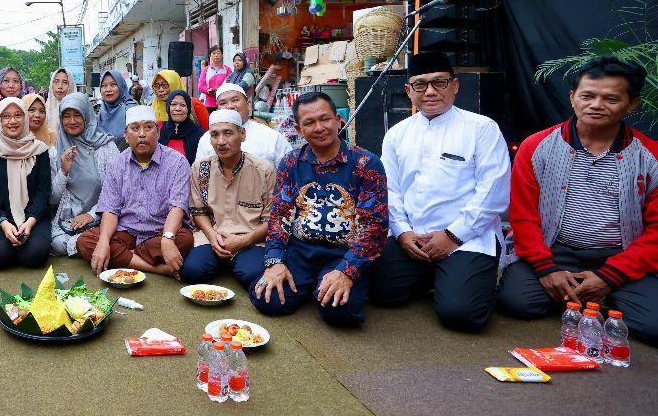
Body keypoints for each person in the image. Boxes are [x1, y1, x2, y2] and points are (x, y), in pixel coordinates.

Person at [498, 56, 658, 343]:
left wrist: (611, 275)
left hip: (620, 256)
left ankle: (599, 293)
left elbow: (656, 233)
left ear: (632, 104)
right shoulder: (537, 146)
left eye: (610, 98)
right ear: (573, 97)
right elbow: (522, 216)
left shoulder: (651, 157)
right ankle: (590, 297)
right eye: (587, 96)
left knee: (654, 326)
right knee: (518, 303)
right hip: (554, 250)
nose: (596, 105)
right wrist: (546, 269)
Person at [366, 53, 510, 332]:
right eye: (420, 85)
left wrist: (452, 235)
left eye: (439, 83)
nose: (430, 91)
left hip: (467, 238)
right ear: (408, 91)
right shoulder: (397, 134)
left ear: (455, 85)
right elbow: (389, 191)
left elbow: (493, 192)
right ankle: (437, 275)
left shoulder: (481, 128)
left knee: (462, 315)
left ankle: (463, 276)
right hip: (413, 238)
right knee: (379, 292)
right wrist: (402, 232)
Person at [251, 91, 388, 326]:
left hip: (343, 253)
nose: (319, 127)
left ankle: (327, 283)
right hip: (301, 250)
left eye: (325, 119)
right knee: (267, 299)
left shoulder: (366, 163)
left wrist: (347, 271)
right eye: (309, 122)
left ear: (338, 120)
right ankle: (312, 284)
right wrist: (275, 262)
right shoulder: (290, 163)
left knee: (339, 312)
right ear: (298, 129)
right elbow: (279, 217)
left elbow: (374, 228)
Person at [77, 106, 194, 278]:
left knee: (185, 239)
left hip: (161, 231)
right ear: (125, 135)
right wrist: (103, 242)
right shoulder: (118, 163)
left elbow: (178, 206)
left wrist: (168, 238)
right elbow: (110, 208)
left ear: (158, 132)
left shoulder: (177, 162)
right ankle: (156, 268)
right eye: (135, 128)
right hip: (126, 231)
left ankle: (124, 257)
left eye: (148, 127)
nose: (142, 134)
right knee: (86, 241)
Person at [183, 109, 276, 289]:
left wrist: (242, 241)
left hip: (251, 239)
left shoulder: (264, 170)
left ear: (242, 135)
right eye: (215, 135)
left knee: (252, 274)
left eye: (228, 133)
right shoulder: (201, 168)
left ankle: (236, 262)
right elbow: (198, 211)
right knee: (192, 271)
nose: (221, 141)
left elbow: (271, 220)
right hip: (213, 236)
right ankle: (225, 261)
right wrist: (212, 236)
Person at [0, 98, 52, 269]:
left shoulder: (40, 150)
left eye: (18, 115)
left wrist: (30, 221)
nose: (12, 121)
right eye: (6, 116)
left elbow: (43, 192)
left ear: (25, 117)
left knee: (34, 256)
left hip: (33, 218)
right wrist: (3, 222)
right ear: (0, 120)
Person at [50, 93, 120, 257]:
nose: (72, 121)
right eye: (66, 116)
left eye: (77, 115)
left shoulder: (105, 147)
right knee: (60, 243)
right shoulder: (55, 151)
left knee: (98, 239)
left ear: (87, 116)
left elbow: (117, 191)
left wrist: (92, 214)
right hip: (67, 220)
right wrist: (63, 171)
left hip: (102, 215)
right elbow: (52, 199)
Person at [193, 83, 292, 168]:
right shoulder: (206, 139)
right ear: (218, 109)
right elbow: (202, 177)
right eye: (223, 103)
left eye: (235, 100)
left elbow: (288, 174)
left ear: (249, 105)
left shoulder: (272, 137)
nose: (230, 106)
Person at [158, 90, 205, 164]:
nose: (178, 109)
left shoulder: (200, 135)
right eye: (173, 104)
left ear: (188, 109)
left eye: (183, 105)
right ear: (168, 107)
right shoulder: (159, 130)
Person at [96, 70, 137, 140]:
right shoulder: (101, 111)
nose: (108, 89)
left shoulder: (132, 109)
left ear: (121, 86)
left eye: (113, 84)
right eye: (104, 86)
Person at [44, 68, 73, 133]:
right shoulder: (44, 110)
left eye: (65, 82)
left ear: (71, 85)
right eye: (56, 81)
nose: (60, 86)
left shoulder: (78, 109)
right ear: (51, 85)